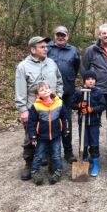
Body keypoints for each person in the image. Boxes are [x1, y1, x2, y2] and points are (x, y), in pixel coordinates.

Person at [15, 36, 63, 180]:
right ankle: (29, 165)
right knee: (31, 138)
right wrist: (23, 110)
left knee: (52, 136)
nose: (46, 49)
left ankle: (52, 164)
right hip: (33, 109)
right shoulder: (23, 66)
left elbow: (59, 81)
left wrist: (58, 97)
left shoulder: (52, 63)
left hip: (52, 109)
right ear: (32, 49)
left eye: (46, 46)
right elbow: (20, 90)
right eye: (42, 47)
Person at [82, 24, 107, 157]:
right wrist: (89, 85)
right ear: (99, 35)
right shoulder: (91, 50)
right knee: (92, 120)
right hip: (96, 91)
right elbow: (84, 69)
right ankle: (91, 150)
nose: (106, 35)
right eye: (103, 33)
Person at [47, 25, 80, 163]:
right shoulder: (47, 48)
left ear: (67, 36)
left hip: (68, 92)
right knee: (50, 122)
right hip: (50, 94)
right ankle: (49, 154)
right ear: (55, 36)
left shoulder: (73, 50)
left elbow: (76, 67)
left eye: (63, 35)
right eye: (58, 35)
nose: (60, 37)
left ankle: (68, 152)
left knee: (66, 122)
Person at [28, 82, 69, 185]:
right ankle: (34, 172)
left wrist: (66, 128)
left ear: (50, 90)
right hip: (41, 137)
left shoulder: (59, 102)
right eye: (42, 90)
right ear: (38, 95)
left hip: (56, 136)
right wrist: (32, 136)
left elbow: (65, 117)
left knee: (56, 155)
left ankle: (58, 171)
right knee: (38, 155)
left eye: (47, 88)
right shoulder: (36, 106)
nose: (45, 90)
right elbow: (32, 122)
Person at [72, 70, 106, 177]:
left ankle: (95, 164)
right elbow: (72, 104)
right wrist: (79, 105)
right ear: (84, 80)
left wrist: (92, 109)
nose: (90, 81)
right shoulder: (79, 92)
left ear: (95, 81)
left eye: (92, 79)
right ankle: (84, 162)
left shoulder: (99, 92)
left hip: (94, 123)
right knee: (84, 143)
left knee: (94, 143)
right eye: (88, 79)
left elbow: (103, 106)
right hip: (83, 123)